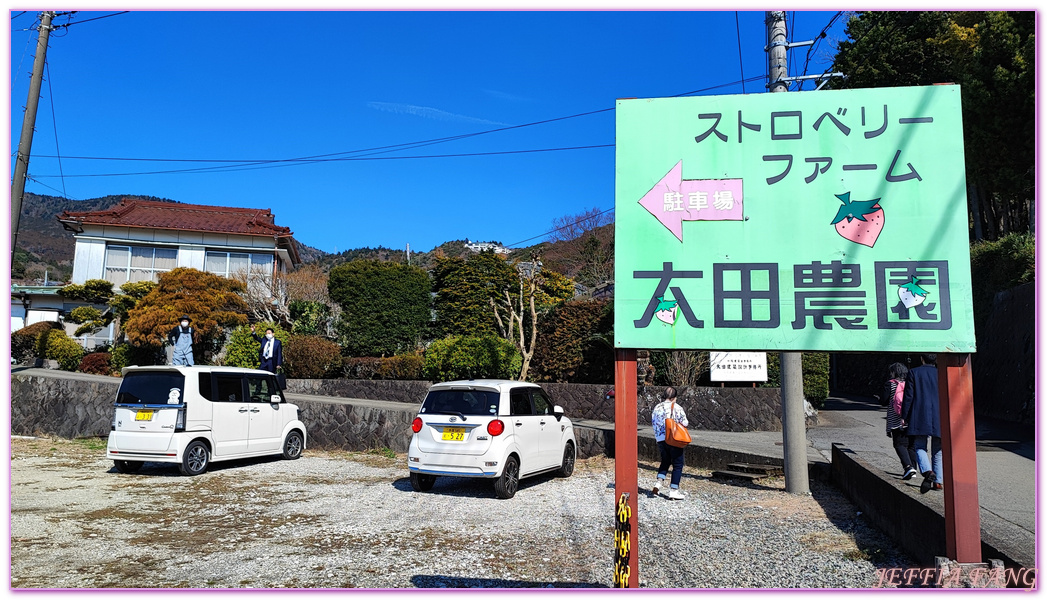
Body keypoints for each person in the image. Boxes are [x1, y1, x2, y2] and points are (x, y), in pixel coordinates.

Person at [901, 354, 942, 494]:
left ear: (921, 358)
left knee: (919, 446)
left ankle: (928, 471)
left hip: (920, 415)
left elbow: (908, 397)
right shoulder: (941, 373)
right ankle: (938, 481)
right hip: (939, 415)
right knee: (938, 449)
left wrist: (904, 416)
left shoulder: (914, 372)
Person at [650, 386, 688, 500]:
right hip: (673, 438)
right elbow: (685, 422)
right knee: (677, 464)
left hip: (661, 439)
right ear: (674, 397)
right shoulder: (677, 407)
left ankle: (658, 483)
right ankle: (673, 490)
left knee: (665, 461)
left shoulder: (657, 407)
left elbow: (653, 422)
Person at [883, 362, 918, 480]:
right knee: (911, 445)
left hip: (896, 419)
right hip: (911, 418)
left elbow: (883, 400)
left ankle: (908, 467)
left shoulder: (891, 384)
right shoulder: (911, 382)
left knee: (899, 444)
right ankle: (913, 468)